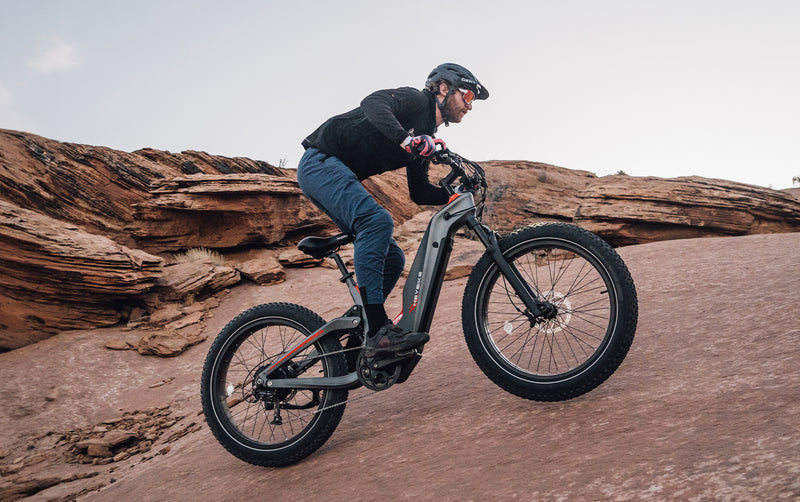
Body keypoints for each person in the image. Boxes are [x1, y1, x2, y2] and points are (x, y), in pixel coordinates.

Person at [297, 63, 489, 358]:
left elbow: (419, 192)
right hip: (320, 162)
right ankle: (377, 331)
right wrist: (406, 139)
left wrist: (453, 194)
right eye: (468, 96)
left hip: (333, 173)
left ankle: (358, 333)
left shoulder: (425, 136)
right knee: (377, 222)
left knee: (394, 258)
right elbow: (372, 103)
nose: (469, 106)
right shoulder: (416, 101)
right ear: (443, 88)